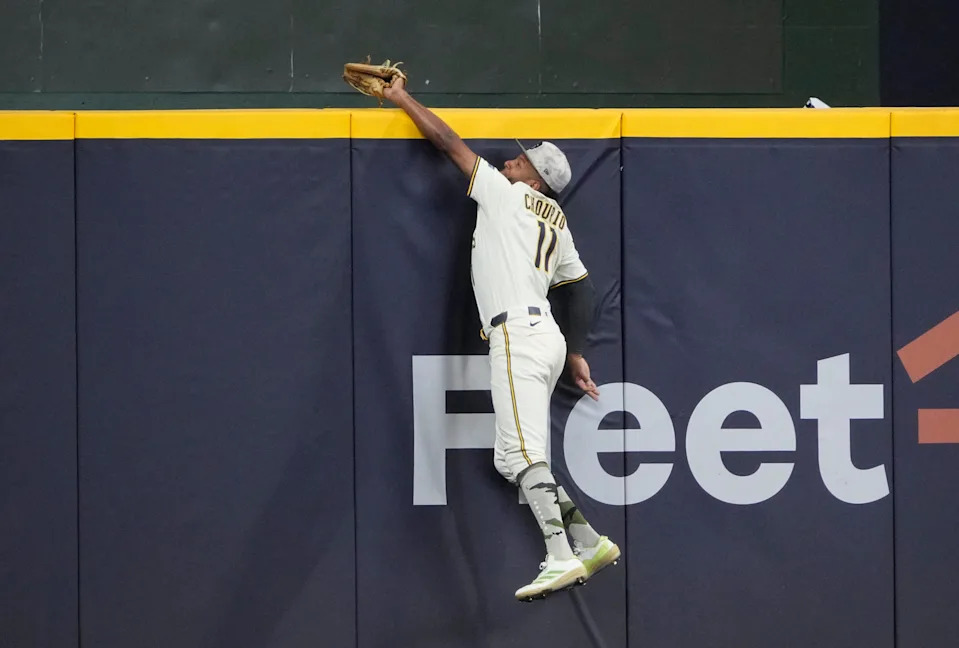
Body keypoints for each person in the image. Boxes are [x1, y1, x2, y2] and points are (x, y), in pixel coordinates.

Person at [383, 77, 620, 602]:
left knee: (522, 452)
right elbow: (579, 289)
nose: (513, 162)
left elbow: (448, 142)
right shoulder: (558, 221)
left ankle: (561, 556)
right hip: (548, 338)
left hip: (516, 333)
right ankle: (589, 540)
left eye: (523, 161)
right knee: (508, 459)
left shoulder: (507, 195)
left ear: (535, 181)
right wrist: (575, 352)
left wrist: (401, 98)